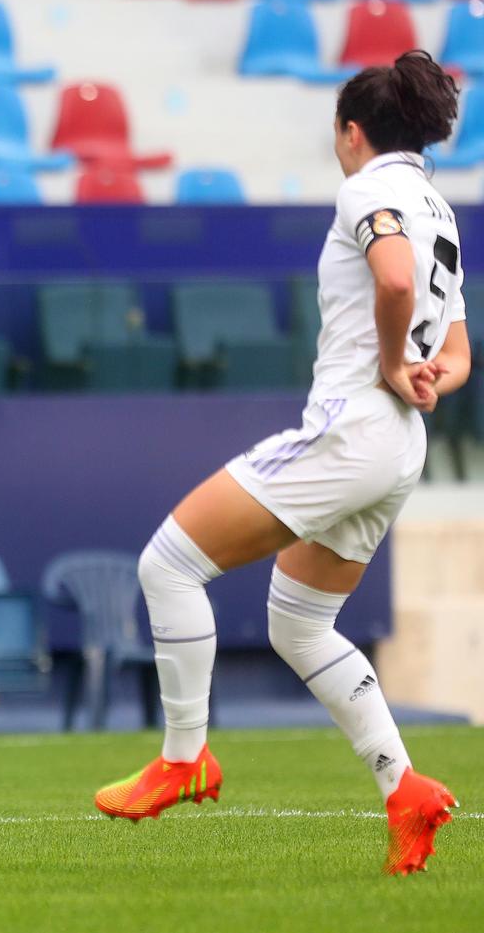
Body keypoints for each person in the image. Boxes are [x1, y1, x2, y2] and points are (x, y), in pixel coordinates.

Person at [93, 51, 468, 876]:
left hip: (353, 425)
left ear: (352, 131)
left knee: (168, 563)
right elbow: (458, 349)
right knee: (298, 623)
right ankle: (404, 788)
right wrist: (422, 369)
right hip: (402, 441)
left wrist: (385, 360)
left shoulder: (368, 187)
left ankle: (185, 754)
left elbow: (394, 279)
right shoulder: (440, 210)